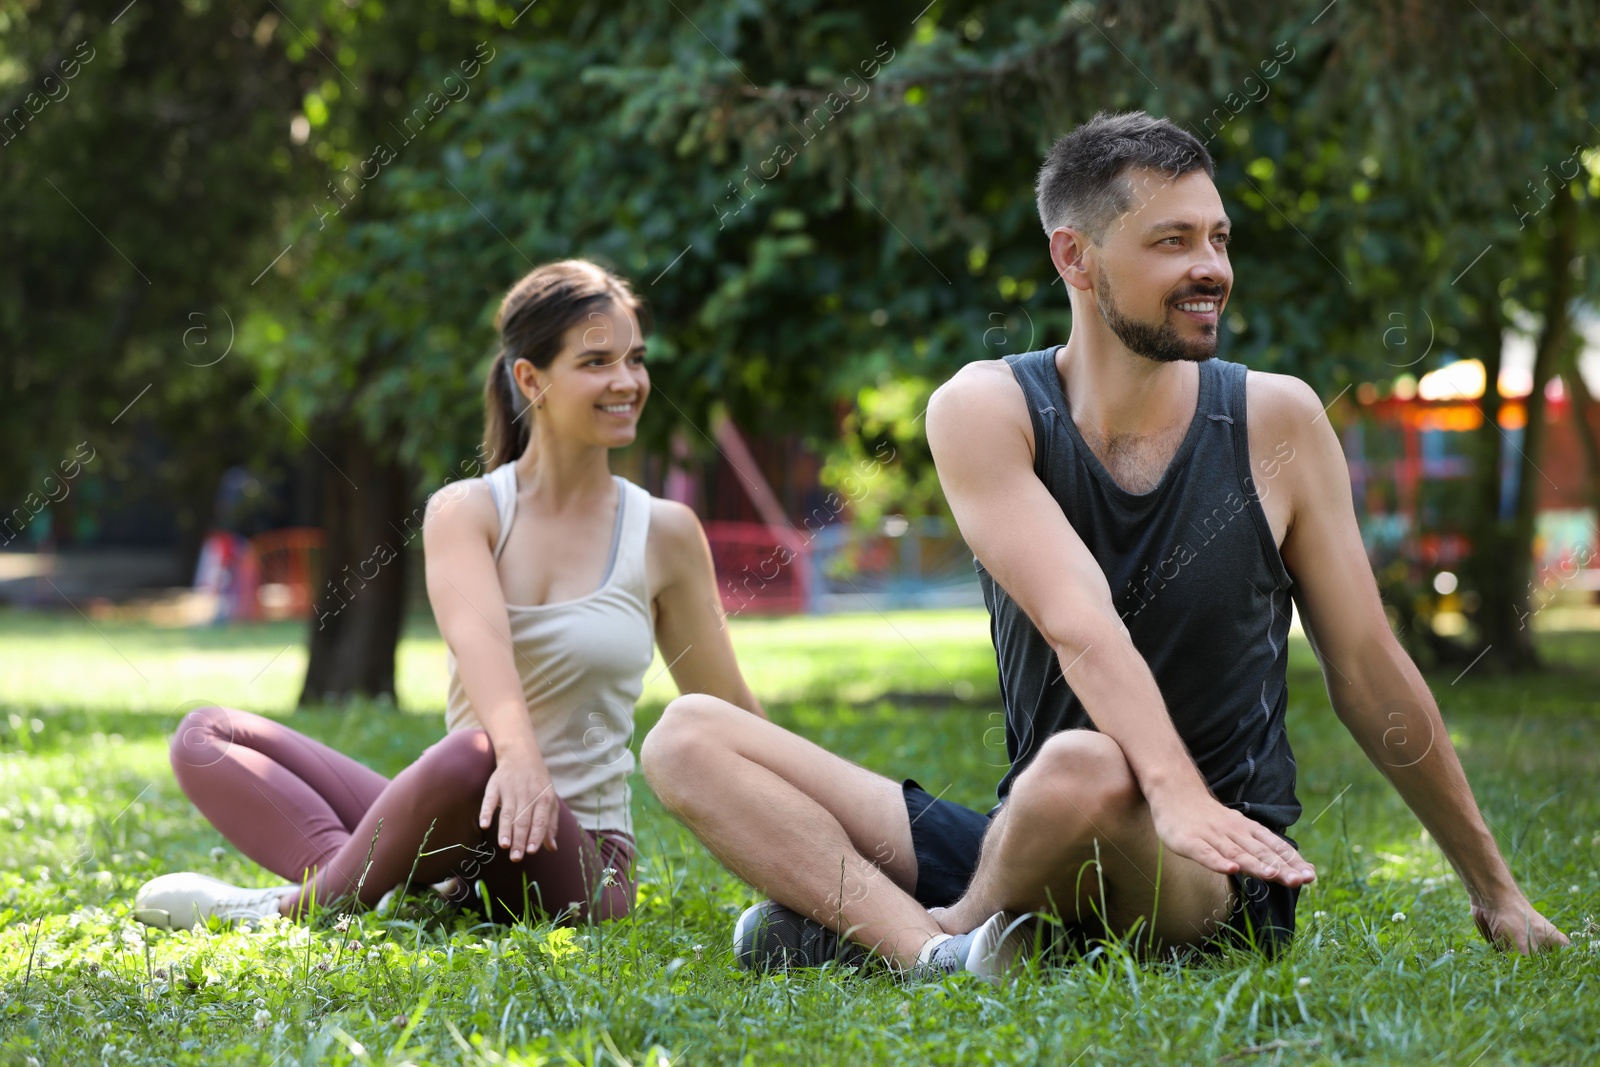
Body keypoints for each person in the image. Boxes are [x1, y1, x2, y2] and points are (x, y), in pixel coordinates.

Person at [641, 111, 1568, 979]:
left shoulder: (1276, 419)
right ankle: (938, 953)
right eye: (1172, 241)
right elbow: (1079, 618)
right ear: (1075, 258)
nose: (1210, 266)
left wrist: (1496, 889)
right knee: (686, 735)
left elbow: (1368, 665)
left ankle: (917, 930)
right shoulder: (986, 409)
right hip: (1042, 822)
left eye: (1218, 237)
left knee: (1080, 769)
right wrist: (1164, 783)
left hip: (1211, 867)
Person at [135, 259, 764, 930]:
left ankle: (290, 910)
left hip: (580, 864)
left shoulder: (663, 532)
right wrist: (517, 759)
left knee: (473, 756)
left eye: (635, 359)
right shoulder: (467, 510)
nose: (627, 381)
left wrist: (845, 837)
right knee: (206, 734)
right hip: (467, 823)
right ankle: (364, 885)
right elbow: (481, 647)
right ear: (531, 379)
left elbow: (730, 713)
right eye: (597, 361)